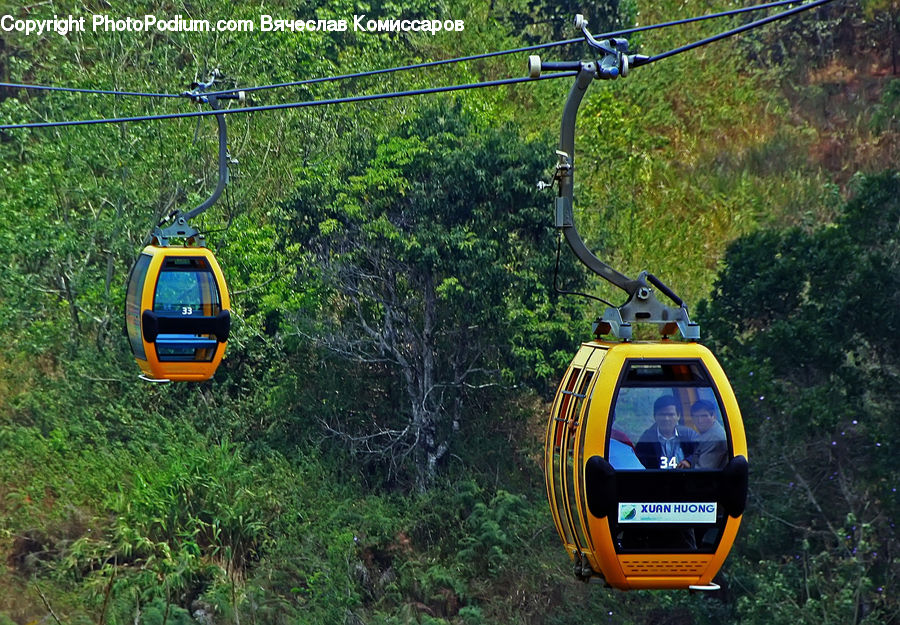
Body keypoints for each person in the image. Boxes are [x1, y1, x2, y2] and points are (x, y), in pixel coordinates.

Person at [634, 395, 698, 469]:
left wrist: (689, 461)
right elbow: (639, 463)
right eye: (662, 415)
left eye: (671, 415)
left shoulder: (688, 434)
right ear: (655, 416)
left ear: (678, 416)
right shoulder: (647, 438)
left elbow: (703, 451)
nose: (666, 419)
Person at [689, 399, 728, 469]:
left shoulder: (715, 438)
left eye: (704, 416)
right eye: (696, 417)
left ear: (713, 416)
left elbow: (702, 471)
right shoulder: (706, 433)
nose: (700, 421)